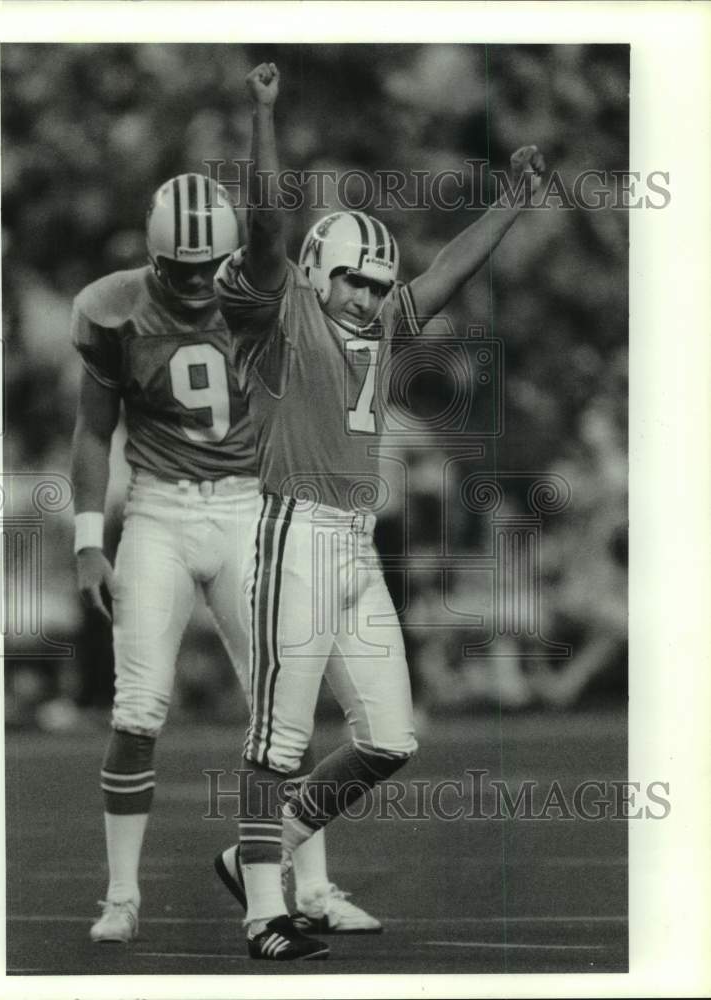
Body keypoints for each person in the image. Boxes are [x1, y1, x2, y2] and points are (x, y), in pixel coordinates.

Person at [213, 62, 546, 961]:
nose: (365, 296)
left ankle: (260, 856)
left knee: (392, 740)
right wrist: (264, 117)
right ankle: (262, 914)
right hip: (295, 532)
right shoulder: (280, 314)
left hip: (358, 546)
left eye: (373, 283)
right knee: (276, 741)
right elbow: (266, 222)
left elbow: (445, 274)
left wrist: (512, 203)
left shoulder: (384, 323)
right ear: (317, 271)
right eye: (352, 280)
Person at [70, 172, 382, 945]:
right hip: (160, 510)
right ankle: (120, 896)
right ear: (154, 257)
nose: (197, 282)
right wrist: (85, 538)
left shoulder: (269, 299)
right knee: (138, 707)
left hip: (251, 508)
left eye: (209, 266)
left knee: (284, 705)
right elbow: (91, 428)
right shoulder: (112, 308)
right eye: (180, 269)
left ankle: (308, 887)